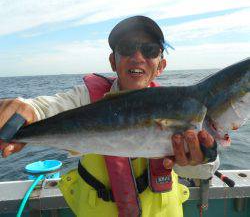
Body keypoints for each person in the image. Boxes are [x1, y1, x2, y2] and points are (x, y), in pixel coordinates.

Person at [0, 16, 219, 217]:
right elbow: (48, 106)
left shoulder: (180, 108)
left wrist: (206, 155)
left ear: (161, 65)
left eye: (150, 50)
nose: (137, 57)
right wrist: (25, 107)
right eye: (126, 48)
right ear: (113, 61)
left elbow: (203, 171)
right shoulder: (87, 98)